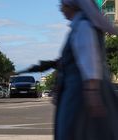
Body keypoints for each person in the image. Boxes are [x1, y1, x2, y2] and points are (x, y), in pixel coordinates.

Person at [53, 0, 118, 140]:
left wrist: (92, 95)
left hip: (80, 95)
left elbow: (90, 64)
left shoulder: (83, 26)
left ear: (72, 6)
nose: (61, 10)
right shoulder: (81, 25)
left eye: (62, 5)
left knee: (80, 132)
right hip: (79, 93)